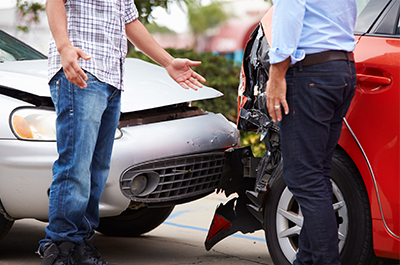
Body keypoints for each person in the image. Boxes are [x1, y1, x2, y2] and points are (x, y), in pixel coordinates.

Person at [38, 0, 206, 264]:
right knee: (75, 167)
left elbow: (130, 23)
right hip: (81, 71)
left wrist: (168, 62)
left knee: (96, 170)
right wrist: (64, 47)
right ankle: (61, 247)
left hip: (111, 78)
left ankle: (81, 245)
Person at [265, 0, 357, 264]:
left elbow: (289, 12)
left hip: (311, 74)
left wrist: (277, 73)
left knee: (304, 178)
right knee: (317, 175)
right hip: (341, 70)